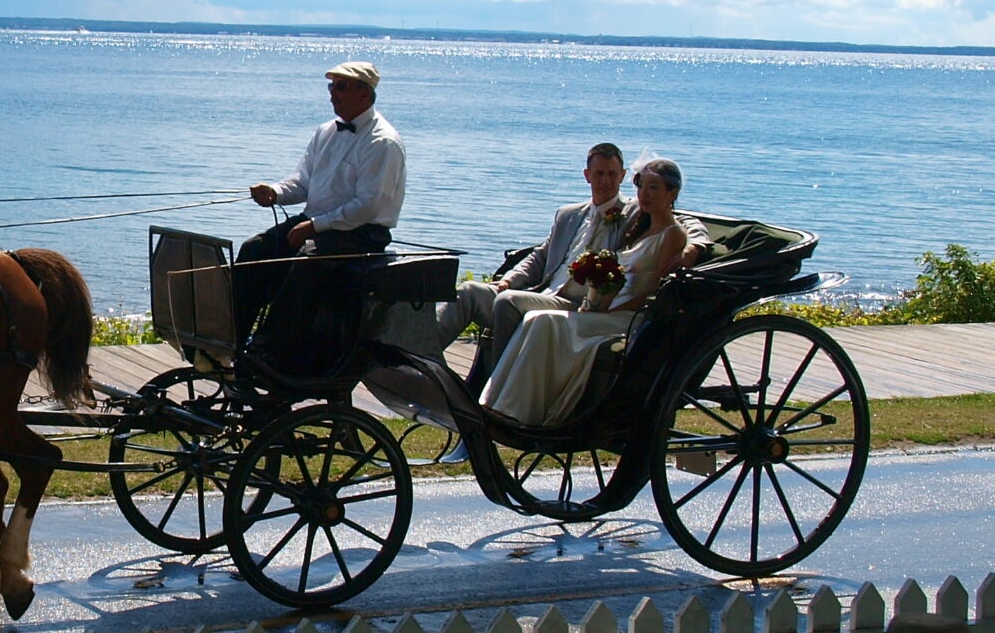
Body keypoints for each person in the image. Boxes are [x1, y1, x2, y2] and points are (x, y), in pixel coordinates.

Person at [479, 157, 694, 427]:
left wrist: (611, 309)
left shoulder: (673, 234)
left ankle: (516, 409)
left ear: (671, 193)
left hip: (630, 316)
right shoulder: (639, 226)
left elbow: (654, 291)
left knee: (544, 321)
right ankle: (497, 401)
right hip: (608, 308)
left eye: (654, 188)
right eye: (641, 187)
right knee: (535, 319)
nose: (644, 195)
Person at [233, 61, 406, 372]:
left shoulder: (383, 142)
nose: (332, 94)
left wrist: (315, 226)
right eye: (331, 87)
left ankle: (270, 350)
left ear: (365, 95)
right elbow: (303, 183)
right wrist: (274, 191)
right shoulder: (326, 131)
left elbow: (367, 206)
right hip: (317, 221)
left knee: (306, 258)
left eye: (340, 87)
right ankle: (232, 340)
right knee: (254, 249)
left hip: (361, 232)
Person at [437, 141, 634, 389]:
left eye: (612, 174)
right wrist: (509, 280)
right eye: (599, 174)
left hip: (580, 306)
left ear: (623, 176)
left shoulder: (634, 212)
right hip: (545, 294)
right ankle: (418, 362)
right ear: (587, 176)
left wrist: (696, 245)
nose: (606, 181)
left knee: (509, 302)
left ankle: (498, 390)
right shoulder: (568, 214)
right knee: (469, 292)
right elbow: (539, 257)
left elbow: (676, 223)